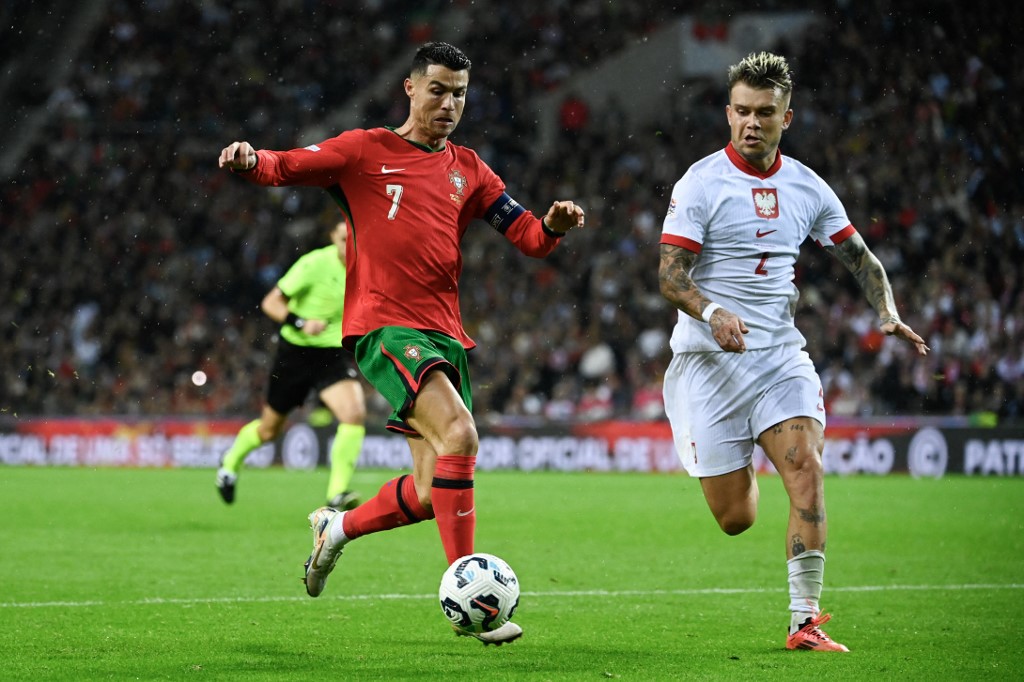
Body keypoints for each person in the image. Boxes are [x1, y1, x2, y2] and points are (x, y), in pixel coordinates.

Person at [218, 41, 585, 645]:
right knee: (462, 436)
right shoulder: (365, 150)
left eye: (459, 93)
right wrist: (249, 160)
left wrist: (552, 226)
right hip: (385, 327)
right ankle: (471, 597)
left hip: (445, 334)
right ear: (410, 88)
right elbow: (286, 165)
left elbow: (526, 235)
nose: (448, 104)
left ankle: (335, 529)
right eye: (437, 89)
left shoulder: (470, 169)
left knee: (423, 491)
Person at [658, 52, 929, 653]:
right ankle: (743, 448)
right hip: (708, 363)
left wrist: (887, 311)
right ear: (728, 114)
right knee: (736, 518)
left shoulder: (807, 186)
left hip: (780, 356)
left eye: (766, 113)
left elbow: (862, 258)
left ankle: (802, 619)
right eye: (743, 112)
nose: (752, 123)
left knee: (806, 467)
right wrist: (713, 311)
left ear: (788, 116)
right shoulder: (700, 183)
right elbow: (670, 277)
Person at [216, 219, 366, 511]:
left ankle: (336, 494)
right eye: (342, 240)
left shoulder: (366, 267)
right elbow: (271, 302)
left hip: (332, 354)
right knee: (270, 430)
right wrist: (301, 322)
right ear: (332, 239)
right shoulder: (313, 264)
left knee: (354, 413)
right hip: (295, 354)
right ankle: (230, 462)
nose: (348, 246)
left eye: (353, 240)